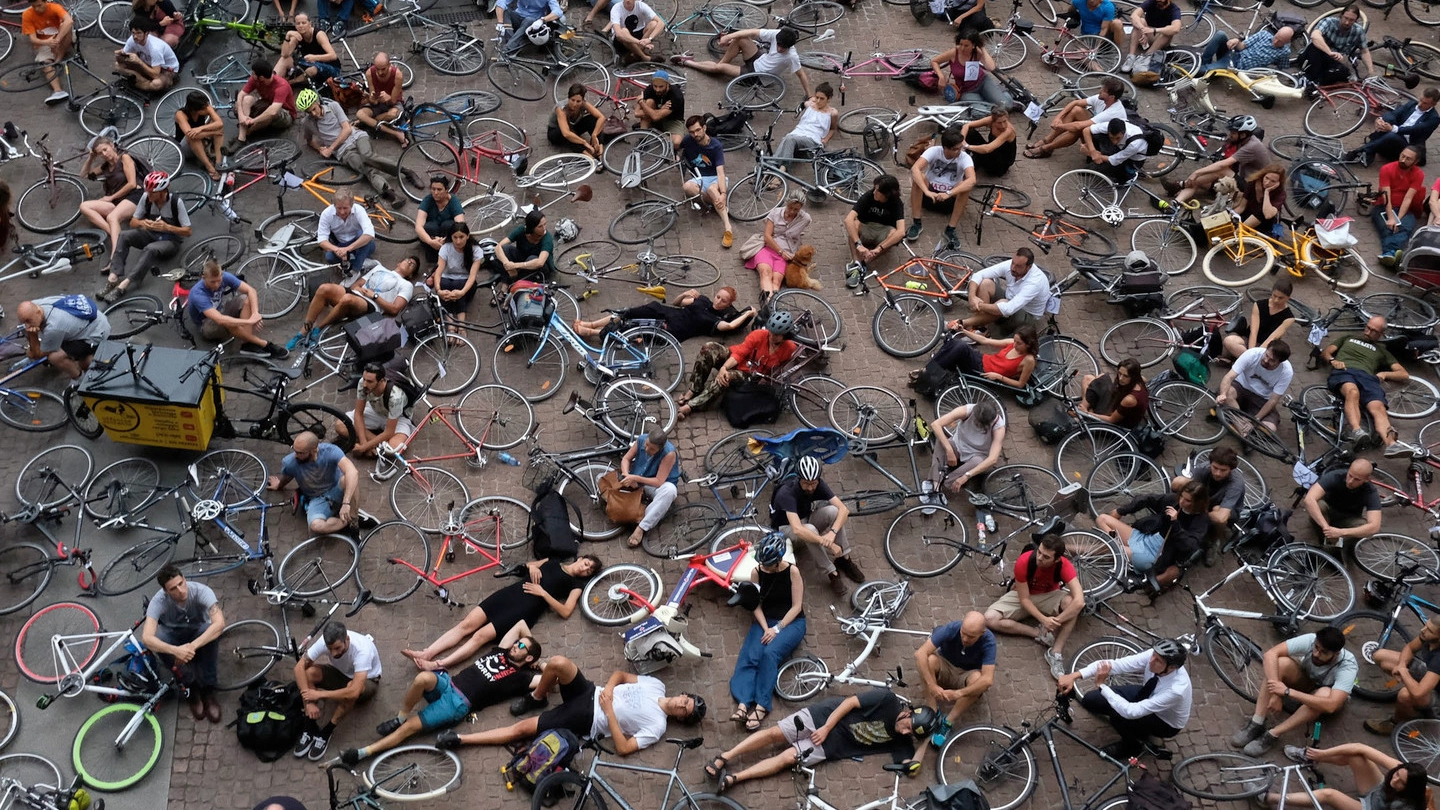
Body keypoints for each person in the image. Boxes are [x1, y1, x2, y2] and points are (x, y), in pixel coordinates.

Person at [338, 627, 543, 765]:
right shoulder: (500, 651)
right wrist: (529, 646)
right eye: (518, 642)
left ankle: (362, 753)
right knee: (422, 679)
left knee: (411, 728)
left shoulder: (521, 677)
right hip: (448, 683)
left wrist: (541, 664)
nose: (516, 645)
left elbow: (553, 678)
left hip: (457, 703)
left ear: (529, 657)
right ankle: (398, 718)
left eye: (522, 646)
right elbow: (520, 625)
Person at [438, 659, 705, 756]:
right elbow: (621, 675)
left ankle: (460, 739)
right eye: (685, 700)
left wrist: (609, 711)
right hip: (592, 691)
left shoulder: (657, 726)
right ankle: (538, 696)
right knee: (558, 663)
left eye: (684, 709)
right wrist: (609, 690)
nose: (681, 704)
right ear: (682, 694)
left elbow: (623, 748)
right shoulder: (656, 685)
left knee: (523, 729)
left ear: (680, 719)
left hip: (588, 717)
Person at [703, 689, 928, 792]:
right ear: (908, 713)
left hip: (831, 746)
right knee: (775, 735)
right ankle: (724, 756)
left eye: (912, 734)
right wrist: (826, 727)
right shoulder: (887, 700)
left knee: (787, 758)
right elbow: (850, 702)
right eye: (909, 727)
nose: (906, 732)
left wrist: (927, 740)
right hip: (824, 717)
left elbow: (912, 769)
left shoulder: (903, 740)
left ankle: (735, 777)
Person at [402, 556, 602, 671]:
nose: (585, 570)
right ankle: (427, 652)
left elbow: (566, 611)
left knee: (479, 637)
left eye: (589, 571)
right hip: (510, 593)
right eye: (587, 564)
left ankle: (439, 665)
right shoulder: (555, 561)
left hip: (526, 608)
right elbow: (530, 563)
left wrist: (544, 593)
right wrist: (532, 567)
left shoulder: (576, 585)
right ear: (581, 558)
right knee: (466, 625)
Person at [1231, 628, 1357, 756]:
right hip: (1306, 683)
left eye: (1323, 652)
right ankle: (1257, 722)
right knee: (1280, 664)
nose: (1316, 654)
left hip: (1323, 696)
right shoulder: (1311, 639)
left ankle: (1273, 734)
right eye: (1316, 647)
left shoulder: (1348, 665)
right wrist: (1276, 694)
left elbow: (1331, 705)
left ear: (1336, 654)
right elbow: (1270, 654)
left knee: (1323, 694)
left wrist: (1286, 692)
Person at [1056, 639, 1192, 759]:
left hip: (1163, 721)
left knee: (1118, 715)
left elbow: (1131, 712)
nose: (1151, 661)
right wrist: (1075, 675)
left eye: (1158, 661)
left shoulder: (1177, 690)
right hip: (1147, 693)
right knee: (1091, 700)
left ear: (1172, 668)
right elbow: (1114, 665)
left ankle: (1131, 745)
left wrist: (1102, 685)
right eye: (1153, 656)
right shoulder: (1154, 656)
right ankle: (1138, 731)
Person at [729, 532, 805, 732]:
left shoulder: (792, 572)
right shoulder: (757, 571)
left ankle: (762, 705)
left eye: (769, 565)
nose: (765, 568)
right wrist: (765, 628)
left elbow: (797, 607)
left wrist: (777, 629)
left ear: (778, 560)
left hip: (791, 622)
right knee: (751, 655)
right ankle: (744, 702)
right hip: (766, 620)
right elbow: (755, 604)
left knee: (769, 654)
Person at [983, 532, 1085, 679]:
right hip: (1024, 594)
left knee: (1071, 604)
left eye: (1046, 557)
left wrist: (1056, 622)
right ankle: (1038, 633)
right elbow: (1024, 599)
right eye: (1040, 552)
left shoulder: (1064, 566)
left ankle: (1055, 652)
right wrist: (1044, 620)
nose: (1039, 558)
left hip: (1049, 596)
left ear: (1057, 559)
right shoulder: (1025, 561)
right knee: (989, 618)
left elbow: (1080, 601)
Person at [769, 455, 863, 599]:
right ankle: (832, 573)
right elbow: (797, 529)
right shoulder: (786, 493)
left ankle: (844, 559)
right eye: (807, 483)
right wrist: (826, 543)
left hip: (806, 519)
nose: (811, 487)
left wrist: (832, 533)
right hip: (786, 531)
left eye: (814, 483)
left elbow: (844, 510)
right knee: (809, 530)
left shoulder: (818, 484)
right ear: (799, 479)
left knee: (834, 511)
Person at [141, 566, 226, 724]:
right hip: (174, 637)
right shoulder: (158, 601)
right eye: (173, 588)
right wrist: (175, 650)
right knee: (159, 638)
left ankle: (208, 689)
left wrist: (191, 647)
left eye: (181, 583)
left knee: (211, 631)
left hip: (197, 634)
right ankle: (191, 687)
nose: (180, 590)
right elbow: (146, 637)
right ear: (166, 591)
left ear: (184, 579)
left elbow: (219, 623)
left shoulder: (201, 591)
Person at [677, 310, 798, 419]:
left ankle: (692, 406)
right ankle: (694, 388)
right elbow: (740, 353)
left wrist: (766, 381)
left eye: (776, 335)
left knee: (725, 378)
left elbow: (782, 369)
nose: (771, 336)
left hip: (749, 374)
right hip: (736, 358)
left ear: (784, 335)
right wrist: (724, 367)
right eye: (771, 332)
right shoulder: (758, 335)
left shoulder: (789, 348)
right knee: (709, 348)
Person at [296, 88, 405, 207]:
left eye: (313, 109)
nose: (313, 114)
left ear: (317, 102)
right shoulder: (307, 122)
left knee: (367, 156)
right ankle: (392, 195)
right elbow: (309, 140)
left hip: (356, 137)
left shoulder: (333, 106)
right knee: (367, 170)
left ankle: (403, 170)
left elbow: (347, 129)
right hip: (344, 151)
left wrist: (331, 149)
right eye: (308, 112)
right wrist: (320, 149)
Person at [97, 170, 192, 304]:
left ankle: (124, 284)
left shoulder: (176, 203)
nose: (149, 194)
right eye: (148, 191)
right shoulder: (146, 198)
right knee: (124, 235)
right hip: (151, 233)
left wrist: (168, 227)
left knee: (150, 249)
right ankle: (113, 278)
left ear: (163, 192)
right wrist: (143, 223)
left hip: (170, 240)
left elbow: (187, 231)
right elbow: (133, 222)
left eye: (152, 192)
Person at [285, 254, 418, 350]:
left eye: (413, 265)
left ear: (411, 275)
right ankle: (302, 333)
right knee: (324, 288)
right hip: (355, 293)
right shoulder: (379, 268)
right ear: (399, 262)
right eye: (408, 260)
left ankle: (317, 330)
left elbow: (394, 309)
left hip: (371, 306)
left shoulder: (406, 285)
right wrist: (359, 289)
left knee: (347, 299)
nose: (409, 263)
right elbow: (356, 285)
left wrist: (375, 296)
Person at [292, 621, 382, 761]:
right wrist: (309, 701)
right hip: (341, 673)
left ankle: (327, 731)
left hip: (367, 681)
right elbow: (299, 668)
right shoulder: (325, 641)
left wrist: (319, 694)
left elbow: (354, 691)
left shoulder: (362, 650)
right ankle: (310, 724)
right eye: (330, 649)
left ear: (347, 639)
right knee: (309, 672)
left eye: (337, 648)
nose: (334, 653)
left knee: (350, 691)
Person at [1097, 481, 1210, 588]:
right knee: (1102, 519)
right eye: (1182, 497)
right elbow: (1148, 499)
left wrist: (1175, 523)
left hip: (1154, 554)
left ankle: (1085, 550)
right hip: (1145, 537)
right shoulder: (1175, 501)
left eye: (1188, 501)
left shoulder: (1201, 520)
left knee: (1110, 549)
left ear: (1197, 503)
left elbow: (1188, 546)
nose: (1181, 502)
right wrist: (1121, 511)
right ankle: (1114, 544)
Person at [1324, 315, 1409, 450]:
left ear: (1382, 334)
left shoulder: (1382, 350)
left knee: (1378, 407)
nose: (1368, 332)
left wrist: (1385, 374)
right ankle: (1357, 430)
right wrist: (1332, 361)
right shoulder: (1349, 338)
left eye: (1373, 331)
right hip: (1346, 371)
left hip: (1368, 378)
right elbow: (1327, 351)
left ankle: (1392, 445)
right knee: (1352, 392)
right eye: (1367, 328)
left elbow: (1403, 374)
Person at [913, 611, 996, 746]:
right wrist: (932, 686)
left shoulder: (989, 641)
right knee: (928, 661)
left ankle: (948, 722)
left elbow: (988, 679)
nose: (965, 639)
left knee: (979, 680)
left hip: (967, 673)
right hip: (945, 664)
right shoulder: (952, 628)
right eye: (963, 633)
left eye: (971, 636)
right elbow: (920, 653)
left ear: (982, 633)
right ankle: (933, 710)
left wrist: (958, 694)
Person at [672, 27, 812, 101]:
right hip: (759, 58)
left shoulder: (792, 56)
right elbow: (752, 32)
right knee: (741, 38)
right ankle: (718, 66)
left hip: (756, 75)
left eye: (783, 48)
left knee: (719, 68)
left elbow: (801, 75)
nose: (780, 49)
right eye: (779, 45)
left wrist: (810, 95)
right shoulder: (777, 34)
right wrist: (728, 37)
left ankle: (688, 63)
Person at [1274, 744, 1430, 810]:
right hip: (1377, 790)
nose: (1394, 779)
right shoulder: (1405, 771)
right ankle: (1310, 757)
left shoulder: (1406, 807)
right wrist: (1322, 753)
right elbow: (1361, 747)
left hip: (1371, 808)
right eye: (1396, 774)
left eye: (1400, 782)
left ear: (1409, 789)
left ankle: (1268, 797)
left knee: (1329, 795)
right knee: (1356, 756)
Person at [186, 259, 288, 358]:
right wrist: (249, 321)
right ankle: (265, 344)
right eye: (212, 282)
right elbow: (220, 320)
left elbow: (251, 290)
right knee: (228, 323)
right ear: (203, 277)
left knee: (245, 299)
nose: (217, 284)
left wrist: (255, 313)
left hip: (220, 311)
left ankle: (247, 343)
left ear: (221, 274)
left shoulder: (224, 276)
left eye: (219, 280)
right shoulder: (198, 294)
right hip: (206, 324)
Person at [266, 431, 362, 535]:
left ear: (314, 450)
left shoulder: (330, 451)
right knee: (316, 526)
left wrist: (346, 503)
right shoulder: (290, 462)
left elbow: (352, 471)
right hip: (316, 499)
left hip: (336, 489)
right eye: (295, 450)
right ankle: (346, 521)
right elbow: (288, 476)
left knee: (349, 478)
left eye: (301, 453)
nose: (296, 456)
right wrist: (279, 485)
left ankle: (354, 519)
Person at [573, 286, 752, 342]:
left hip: (673, 329)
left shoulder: (715, 319)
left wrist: (748, 313)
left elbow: (730, 326)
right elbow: (677, 303)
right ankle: (591, 324)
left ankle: (590, 332)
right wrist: (685, 293)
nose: (718, 301)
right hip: (668, 312)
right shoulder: (703, 300)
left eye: (723, 301)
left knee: (632, 329)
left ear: (729, 304)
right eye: (718, 296)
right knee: (630, 313)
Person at [1164, 115, 1272, 204]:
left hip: (1253, 189)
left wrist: (1196, 172)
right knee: (1198, 181)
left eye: (1233, 133)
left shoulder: (1252, 146)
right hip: (1243, 180)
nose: (1230, 135)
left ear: (1243, 134)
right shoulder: (1243, 140)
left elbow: (1222, 165)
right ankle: (1175, 203)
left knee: (1220, 170)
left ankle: (1181, 184)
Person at [1170, 444, 1248, 565]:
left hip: (1225, 509)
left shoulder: (1236, 484)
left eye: (1223, 470)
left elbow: (1221, 516)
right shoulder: (1203, 469)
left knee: (1220, 519)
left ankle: (1213, 542)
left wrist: (1197, 512)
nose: (1217, 473)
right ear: (1210, 463)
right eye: (1215, 467)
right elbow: (1192, 489)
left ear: (1231, 469)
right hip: (1206, 501)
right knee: (1178, 482)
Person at [1365, 616, 1440, 736]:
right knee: (1381, 657)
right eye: (1426, 625)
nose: (1423, 630)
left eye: (1430, 630)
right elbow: (1410, 648)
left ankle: (1396, 723)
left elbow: (1418, 692)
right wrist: (1401, 665)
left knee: (1405, 695)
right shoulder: (1426, 636)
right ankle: (1411, 706)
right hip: (1428, 675)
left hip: (1436, 695)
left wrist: (1404, 673)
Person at [77, 136, 143, 271]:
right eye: (100, 153)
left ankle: (115, 259)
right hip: (118, 201)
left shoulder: (125, 158)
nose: (104, 154)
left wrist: (110, 197)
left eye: (105, 150)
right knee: (84, 206)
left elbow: (132, 184)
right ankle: (116, 234)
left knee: (112, 217)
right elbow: (83, 174)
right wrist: (91, 158)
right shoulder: (105, 167)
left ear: (112, 145)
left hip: (134, 196)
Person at [905, 127, 976, 250]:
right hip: (929, 197)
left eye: (960, 147)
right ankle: (916, 223)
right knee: (918, 178)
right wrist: (926, 191)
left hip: (949, 199)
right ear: (945, 148)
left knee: (965, 186)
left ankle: (951, 229)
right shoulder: (934, 151)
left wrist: (949, 193)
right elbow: (915, 169)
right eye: (955, 149)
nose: (959, 151)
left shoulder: (965, 157)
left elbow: (972, 180)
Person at [1025, 77, 1126, 159]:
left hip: (1105, 143)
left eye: (1103, 91)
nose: (1100, 91)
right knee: (1077, 110)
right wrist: (1058, 117)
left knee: (1078, 129)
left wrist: (1060, 126)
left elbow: (1078, 126)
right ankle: (1048, 139)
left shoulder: (1113, 111)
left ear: (1111, 97)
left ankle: (1047, 148)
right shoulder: (1102, 98)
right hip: (1097, 130)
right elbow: (1076, 102)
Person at [915, 324, 1039, 390]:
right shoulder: (1012, 343)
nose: (1015, 344)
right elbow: (985, 341)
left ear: (1028, 344)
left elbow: (1020, 384)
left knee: (960, 347)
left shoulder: (1028, 360)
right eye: (1015, 341)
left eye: (1019, 343)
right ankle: (928, 373)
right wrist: (964, 331)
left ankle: (926, 373)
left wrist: (999, 377)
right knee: (953, 342)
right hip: (981, 359)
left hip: (985, 372)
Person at [672, 115, 734, 248]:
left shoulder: (715, 145)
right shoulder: (688, 140)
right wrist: (676, 155)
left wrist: (723, 193)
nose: (695, 134)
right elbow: (676, 147)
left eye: (698, 130)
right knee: (687, 187)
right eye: (692, 132)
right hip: (700, 178)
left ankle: (728, 228)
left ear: (704, 128)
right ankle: (716, 204)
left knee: (713, 190)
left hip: (715, 179)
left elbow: (720, 172)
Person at [926, 400, 1005, 500]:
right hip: (958, 445)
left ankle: (949, 482)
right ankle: (936, 485)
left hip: (977, 454)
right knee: (941, 441)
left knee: (979, 461)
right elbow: (936, 425)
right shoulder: (967, 410)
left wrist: (966, 476)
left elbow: (993, 459)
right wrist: (949, 450)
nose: (978, 426)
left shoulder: (999, 427)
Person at [16, 295, 110, 379]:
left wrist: (33, 335)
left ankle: (79, 379)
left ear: (39, 313)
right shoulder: (37, 304)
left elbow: (37, 354)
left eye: (29, 321)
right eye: (24, 321)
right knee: (52, 344)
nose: (27, 326)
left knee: (55, 357)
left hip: (95, 333)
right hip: (89, 320)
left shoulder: (53, 327)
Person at [335, 362, 415, 459]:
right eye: (364, 379)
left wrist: (364, 447)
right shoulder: (363, 383)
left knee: (394, 448)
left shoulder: (395, 397)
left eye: (369, 381)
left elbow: (389, 432)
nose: (364, 384)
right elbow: (358, 414)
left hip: (398, 418)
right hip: (375, 410)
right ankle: (376, 446)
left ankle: (371, 444)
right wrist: (364, 443)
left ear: (381, 381)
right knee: (340, 425)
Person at [961, 250, 1047, 336]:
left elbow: (1008, 309)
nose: (1013, 268)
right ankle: (980, 328)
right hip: (1009, 299)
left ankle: (962, 323)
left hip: (1026, 315)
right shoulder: (1013, 264)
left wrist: (979, 305)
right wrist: (972, 297)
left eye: (1018, 266)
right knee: (985, 283)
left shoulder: (1034, 283)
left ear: (1028, 267)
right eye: (1013, 263)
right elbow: (979, 275)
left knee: (1002, 304)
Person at [619, 428, 680, 548]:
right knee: (602, 478)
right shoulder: (641, 439)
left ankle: (642, 527)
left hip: (654, 485)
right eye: (646, 445)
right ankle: (650, 511)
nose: (647, 449)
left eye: (652, 449)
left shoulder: (669, 453)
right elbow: (626, 459)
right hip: (636, 479)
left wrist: (635, 478)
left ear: (660, 448)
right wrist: (626, 475)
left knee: (670, 491)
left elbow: (658, 481)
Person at [1302, 457, 1383, 548]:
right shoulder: (1335, 476)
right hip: (1328, 511)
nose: (1350, 481)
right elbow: (1309, 499)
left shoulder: (1370, 491)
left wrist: (1341, 532)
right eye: (1350, 475)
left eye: (1357, 479)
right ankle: (1324, 538)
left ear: (1367, 479)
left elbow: (1375, 526)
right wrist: (1326, 528)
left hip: (1348, 519)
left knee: (1363, 525)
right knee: (1319, 505)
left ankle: (1345, 547)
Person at [1350, 88, 1439, 167]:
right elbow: (1394, 113)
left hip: (1409, 143)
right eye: (1421, 100)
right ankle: (1369, 152)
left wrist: (1392, 129)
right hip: (1397, 132)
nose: (1420, 104)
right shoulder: (1412, 104)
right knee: (1386, 123)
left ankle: (1359, 151)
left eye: (1425, 103)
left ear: (1433, 104)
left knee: (1391, 135)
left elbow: (1414, 130)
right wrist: (1381, 119)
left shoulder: (1433, 118)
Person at [1216, 341, 1294, 431]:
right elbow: (1229, 377)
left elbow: (1273, 400)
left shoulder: (1286, 372)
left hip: (1261, 398)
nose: (1266, 360)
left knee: (1271, 428)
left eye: (1272, 360)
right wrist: (1223, 394)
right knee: (1227, 393)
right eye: (1266, 355)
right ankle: (1242, 424)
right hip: (1241, 387)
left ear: (1280, 362)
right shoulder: (1252, 354)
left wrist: (1256, 419)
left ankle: (1236, 420)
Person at [929, 31, 1013, 111]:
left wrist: (982, 48)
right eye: (960, 44)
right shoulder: (954, 53)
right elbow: (934, 61)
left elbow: (991, 67)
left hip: (982, 82)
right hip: (966, 91)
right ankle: (992, 97)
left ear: (973, 45)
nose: (962, 48)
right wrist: (941, 76)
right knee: (981, 111)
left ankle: (1005, 93)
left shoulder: (977, 52)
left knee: (1006, 106)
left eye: (966, 46)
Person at [746, 194, 811, 297]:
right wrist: (781, 251)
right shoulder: (775, 213)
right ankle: (768, 304)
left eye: (796, 209)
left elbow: (800, 230)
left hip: (785, 256)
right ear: (787, 203)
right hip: (769, 249)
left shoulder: (805, 218)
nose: (792, 212)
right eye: (790, 208)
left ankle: (771, 304)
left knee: (776, 281)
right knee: (765, 273)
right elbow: (767, 236)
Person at [844, 174, 905, 283]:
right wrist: (859, 245)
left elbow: (901, 232)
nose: (874, 192)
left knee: (894, 234)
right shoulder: (868, 196)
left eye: (877, 191)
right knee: (854, 225)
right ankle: (856, 261)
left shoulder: (897, 203)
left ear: (887, 194)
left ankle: (864, 263)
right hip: (867, 226)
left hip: (884, 231)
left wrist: (879, 248)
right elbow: (848, 219)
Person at [1298, 4, 1374, 87]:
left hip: (1333, 60)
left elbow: (1364, 51)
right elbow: (1315, 36)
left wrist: (1371, 71)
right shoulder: (1328, 22)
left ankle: (1314, 80)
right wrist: (1329, 52)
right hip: (1316, 54)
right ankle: (1313, 79)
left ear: (1356, 20)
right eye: (1346, 18)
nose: (1347, 22)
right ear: (1341, 15)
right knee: (1315, 49)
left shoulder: (1358, 31)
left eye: (1351, 20)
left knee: (1343, 73)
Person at [1375, 146, 1426, 267]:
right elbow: (1386, 195)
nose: (1403, 160)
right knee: (1387, 228)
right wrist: (1391, 217)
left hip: (1404, 209)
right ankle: (1393, 253)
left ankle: (1389, 254)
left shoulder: (1419, 174)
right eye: (1402, 156)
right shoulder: (1386, 169)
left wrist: (1397, 218)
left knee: (1405, 228)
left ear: (1415, 162)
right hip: (1383, 206)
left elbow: (1408, 198)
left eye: (1408, 159)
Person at [230, 59, 296, 152]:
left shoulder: (281, 86)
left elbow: (273, 111)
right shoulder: (255, 79)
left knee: (270, 113)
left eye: (253, 73)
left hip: (285, 114)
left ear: (261, 78)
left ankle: (248, 132)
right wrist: (242, 115)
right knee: (246, 100)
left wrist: (253, 121)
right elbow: (241, 95)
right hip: (266, 103)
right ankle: (241, 138)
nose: (251, 75)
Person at [1223, 278, 1295, 361]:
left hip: (1267, 347)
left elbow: (1272, 337)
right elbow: (1254, 331)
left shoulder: (1289, 318)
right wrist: (1251, 352)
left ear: (1288, 298)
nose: (1276, 300)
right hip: (1249, 340)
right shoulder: (1259, 305)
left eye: (1280, 298)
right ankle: (1250, 362)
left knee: (1272, 358)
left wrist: (1258, 353)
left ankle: (1244, 361)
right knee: (1228, 340)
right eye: (1274, 296)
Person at [20, 0, 74, 105]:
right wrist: (47, 42)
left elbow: (69, 21)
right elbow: (33, 39)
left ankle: (59, 58)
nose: (37, 9)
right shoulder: (27, 14)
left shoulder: (54, 7)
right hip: (44, 42)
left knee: (66, 27)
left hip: (59, 36)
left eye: (39, 5)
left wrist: (56, 41)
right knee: (45, 64)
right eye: (34, 6)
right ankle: (58, 91)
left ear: (46, 2)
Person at [431, 224, 483, 327]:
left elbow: (472, 276)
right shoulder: (445, 248)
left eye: (461, 237)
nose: (458, 241)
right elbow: (439, 270)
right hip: (448, 279)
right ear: (451, 237)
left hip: (465, 281)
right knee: (445, 286)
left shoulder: (476, 250)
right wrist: (438, 290)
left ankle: (461, 325)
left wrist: (462, 292)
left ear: (467, 236)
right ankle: (451, 324)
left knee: (459, 287)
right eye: (455, 237)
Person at [773, 84, 839, 165]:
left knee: (789, 139)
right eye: (817, 97)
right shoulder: (809, 105)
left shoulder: (832, 113)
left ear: (829, 99)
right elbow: (806, 102)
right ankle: (774, 167)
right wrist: (811, 100)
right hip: (797, 134)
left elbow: (832, 128)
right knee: (787, 139)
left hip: (812, 140)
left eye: (822, 99)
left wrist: (825, 140)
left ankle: (780, 170)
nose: (818, 101)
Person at [317, 190, 378, 273]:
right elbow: (321, 240)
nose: (342, 212)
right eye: (339, 208)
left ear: (352, 205)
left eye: (345, 208)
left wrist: (348, 249)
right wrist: (337, 250)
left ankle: (355, 270)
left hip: (358, 242)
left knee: (363, 236)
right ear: (334, 205)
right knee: (329, 257)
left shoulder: (359, 210)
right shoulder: (326, 214)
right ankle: (362, 261)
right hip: (340, 245)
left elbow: (370, 233)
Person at [1080, 358, 1148, 429]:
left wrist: (1087, 413)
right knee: (1089, 378)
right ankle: (1084, 410)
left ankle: (1084, 414)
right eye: (1119, 373)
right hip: (1116, 402)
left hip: (1116, 423)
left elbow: (1111, 420)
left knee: (1089, 383)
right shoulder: (1140, 380)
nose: (1121, 378)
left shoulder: (1130, 399)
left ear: (1133, 377)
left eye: (1125, 376)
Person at [172, 90, 225, 181]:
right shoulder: (180, 114)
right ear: (195, 109)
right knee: (192, 137)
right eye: (204, 109)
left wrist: (200, 128)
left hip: (202, 136)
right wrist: (212, 133)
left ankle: (218, 161)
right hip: (187, 146)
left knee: (218, 128)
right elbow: (191, 135)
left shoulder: (206, 106)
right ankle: (209, 167)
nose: (207, 109)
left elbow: (219, 123)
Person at [1199, 23, 1296, 73]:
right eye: (1276, 37)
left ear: (1287, 42)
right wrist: (1236, 41)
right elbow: (1242, 47)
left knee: (1206, 69)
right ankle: (1203, 61)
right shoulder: (1264, 34)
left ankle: (1191, 70)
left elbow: (1280, 70)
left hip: (1236, 66)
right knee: (1221, 34)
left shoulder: (1285, 52)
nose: (1275, 41)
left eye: (1280, 41)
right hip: (1234, 55)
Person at [114, 17, 178, 91]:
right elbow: (121, 60)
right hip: (148, 65)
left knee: (156, 84)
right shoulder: (132, 40)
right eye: (133, 33)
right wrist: (119, 55)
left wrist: (139, 62)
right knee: (118, 66)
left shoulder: (155, 48)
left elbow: (155, 75)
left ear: (147, 33)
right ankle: (142, 82)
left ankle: (139, 82)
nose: (135, 36)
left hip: (166, 70)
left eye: (139, 33)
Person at [357, 52, 407, 146]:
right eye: (377, 69)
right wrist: (373, 99)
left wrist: (388, 98)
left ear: (389, 64)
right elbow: (373, 100)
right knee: (360, 114)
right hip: (379, 104)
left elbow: (394, 101)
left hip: (393, 103)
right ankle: (395, 133)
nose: (380, 73)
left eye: (383, 69)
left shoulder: (397, 75)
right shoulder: (369, 73)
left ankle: (370, 122)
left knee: (393, 114)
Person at [277, 13, 341, 87]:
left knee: (312, 70)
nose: (301, 26)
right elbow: (284, 55)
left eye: (304, 23)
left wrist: (315, 57)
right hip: (309, 63)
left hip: (330, 67)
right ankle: (274, 80)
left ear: (309, 24)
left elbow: (333, 56)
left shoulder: (319, 35)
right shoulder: (297, 36)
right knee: (284, 60)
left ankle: (289, 83)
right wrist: (287, 36)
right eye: (298, 23)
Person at [1080, 117, 1149, 184]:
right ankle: (1093, 160)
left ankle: (1122, 178)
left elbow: (1114, 160)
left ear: (1124, 132)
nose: (1115, 142)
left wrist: (1089, 153)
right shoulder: (1108, 126)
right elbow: (1086, 130)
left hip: (1131, 159)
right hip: (1121, 148)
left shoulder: (1134, 144)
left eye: (1118, 138)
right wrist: (1092, 151)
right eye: (1112, 138)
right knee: (1095, 134)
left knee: (1104, 168)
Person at [494, 210, 556, 282]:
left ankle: (513, 281)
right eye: (540, 226)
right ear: (532, 228)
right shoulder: (521, 230)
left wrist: (515, 265)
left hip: (541, 268)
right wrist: (507, 264)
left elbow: (540, 262)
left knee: (532, 258)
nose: (544, 228)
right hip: (523, 261)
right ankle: (512, 276)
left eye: (545, 224)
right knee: (505, 249)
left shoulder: (547, 238)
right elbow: (498, 247)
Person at [414, 176, 464, 263]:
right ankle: (432, 260)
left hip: (447, 237)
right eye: (433, 189)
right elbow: (418, 226)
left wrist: (445, 239)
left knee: (448, 225)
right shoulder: (428, 200)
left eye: (439, 189)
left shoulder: (453, 201)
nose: (435, 193)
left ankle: (449, 256)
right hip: (431, 236)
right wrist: (430, 241)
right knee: (430, 227)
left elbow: (461, 224)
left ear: (446, 190)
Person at [1121, 0, 1180, 72]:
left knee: (1169, 31)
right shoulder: (1151, 2)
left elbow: (1176, 28)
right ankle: (1131, 56)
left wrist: (1155, 30)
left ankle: (1145, 58)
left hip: (1160, 38)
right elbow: (1134, 16)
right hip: (1148, 33)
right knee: (1141, 21)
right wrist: (1143, 30)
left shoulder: (1174, 9)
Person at [548, 84, 607, 158]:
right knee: (570, 134)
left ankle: (599, 150)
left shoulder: (584, 104)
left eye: (578, 101)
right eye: (572, 100)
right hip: (556, 133)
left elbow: (601, 117)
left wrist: (594, 135)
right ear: (568, 98)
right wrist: (584, 142)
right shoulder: (561, 109)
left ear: (582, 100)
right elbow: (566, 133)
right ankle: (589, 157)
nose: (575, 104)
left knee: (592, 119)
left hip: (572, 126)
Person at [959, 108, 1017, 177]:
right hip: (991, 152)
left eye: (1005, 121)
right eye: (999, 123)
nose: (1003, 125)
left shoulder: (1008, 131)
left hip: (999, 164)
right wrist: (962, 141)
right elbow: (967, 126)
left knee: (979, 153)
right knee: (970, 132)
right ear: (993, 121)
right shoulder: (990, 120)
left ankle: (972, 161)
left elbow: (987, 149)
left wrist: (966, 146)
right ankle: (971, 158)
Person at [494, 0, 565, 56]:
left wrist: (542, 20)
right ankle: (512, 41)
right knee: (505, 12)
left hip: (533, 23)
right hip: (518, 16)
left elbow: (558, 12)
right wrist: (500, 22)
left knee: (529, 20)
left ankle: (508, 49)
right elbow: (501, 2)